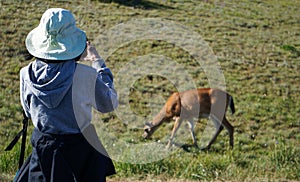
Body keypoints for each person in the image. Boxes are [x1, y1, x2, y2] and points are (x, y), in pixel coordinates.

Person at [16, 8, 118, 182]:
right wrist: (97, 62)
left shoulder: (25, 73)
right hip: (81, 152)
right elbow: (109, 104)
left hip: (43, 150)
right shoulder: (85, 75)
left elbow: (27, 111)